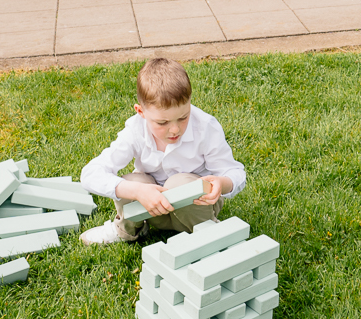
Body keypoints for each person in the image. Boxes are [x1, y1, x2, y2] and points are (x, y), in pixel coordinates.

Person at [78, 56, 247, 245]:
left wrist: (222, 183)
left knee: (179, 183)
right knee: (132, 181)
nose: (175, 129)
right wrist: (137, 191)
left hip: (195, 208)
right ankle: (127, 230)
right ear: (141, 112)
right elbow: (90, 174)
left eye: (183, 117)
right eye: (162, 122)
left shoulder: (206, 127)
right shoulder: (135, 130)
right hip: (152, 210)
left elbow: (234, 172)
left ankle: (206, 231)